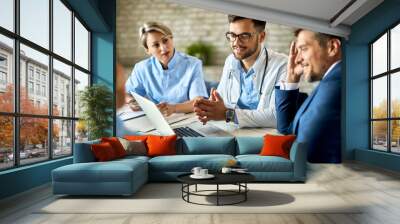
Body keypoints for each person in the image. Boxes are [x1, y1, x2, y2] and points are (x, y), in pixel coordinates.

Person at [194, 15, 287, 127]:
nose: (236, 43)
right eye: (232, 35)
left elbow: (277, 116)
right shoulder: (230, 61)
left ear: (261, 37)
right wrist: (208, 109)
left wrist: (228, 114)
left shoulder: (282, 64)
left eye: (244, 35)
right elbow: (220, 101)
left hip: (263, 136)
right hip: (232, 132)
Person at [275, 29, 342, 163]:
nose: (298, 59)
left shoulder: (337, 83)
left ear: (332, 47)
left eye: (304, 49)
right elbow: (287, 130)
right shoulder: (328, 82)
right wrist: (291, 78)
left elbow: (308, 150)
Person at [125, 22, 208, 116]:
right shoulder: (141, 68)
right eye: (156, 45)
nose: (163, 48)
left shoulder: (193, 64)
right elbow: (127, 93)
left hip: (186, 118)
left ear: (171, 38)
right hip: (157, 120)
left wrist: (174, 108)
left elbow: (198, 102)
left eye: (165, 40)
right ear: (147, 50)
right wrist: (132, 102)